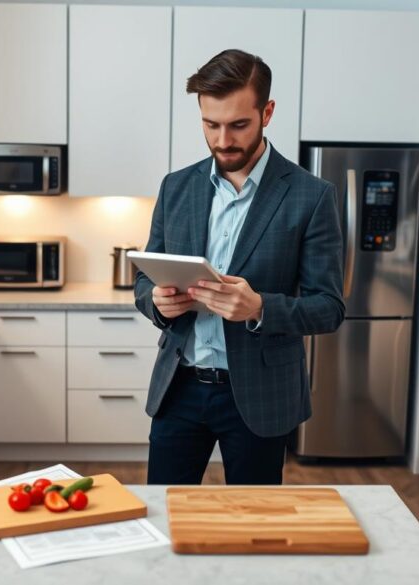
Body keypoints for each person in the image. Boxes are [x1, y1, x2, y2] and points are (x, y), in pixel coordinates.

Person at [134, 49, 345, 485]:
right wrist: (156, 302)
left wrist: (259, 308)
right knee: (166, 513)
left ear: (267, 113)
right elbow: (144, 280)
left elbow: (328, 308)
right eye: (211, 125)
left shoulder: (311, 196)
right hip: (180, 388)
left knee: (255, 527)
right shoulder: (176, 187)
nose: (223, 139)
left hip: (259, 396)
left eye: (238, 125)